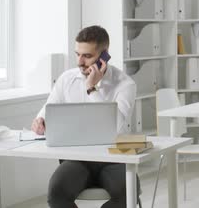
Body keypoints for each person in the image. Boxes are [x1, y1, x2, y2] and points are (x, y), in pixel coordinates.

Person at [31, 25, 137, 208]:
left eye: (87, 56)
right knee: (57, 191)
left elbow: (117, 127)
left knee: (128, 191)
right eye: (77, 54)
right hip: (76, 158)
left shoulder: (125, 84)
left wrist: (91, 88)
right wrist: (40, 121)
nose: (80, 62)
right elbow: (47, 110)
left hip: (114, 157)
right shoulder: (66, 79)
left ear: (104, 56)